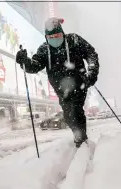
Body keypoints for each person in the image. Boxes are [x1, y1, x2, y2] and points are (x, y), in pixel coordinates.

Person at [16, 17, 99, 147]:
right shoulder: (44, 49)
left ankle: (81, 140)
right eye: (51, 36)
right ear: (46, 37)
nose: (55, 39)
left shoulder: (74, 40)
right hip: (61, 89)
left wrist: (92, 72)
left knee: (76, 110)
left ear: (63, 33)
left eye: (58, 35)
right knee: (68, 116)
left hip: (79, 83)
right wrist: (24, 61)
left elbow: (91, 54)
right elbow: (35, 65)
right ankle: (79, 136)